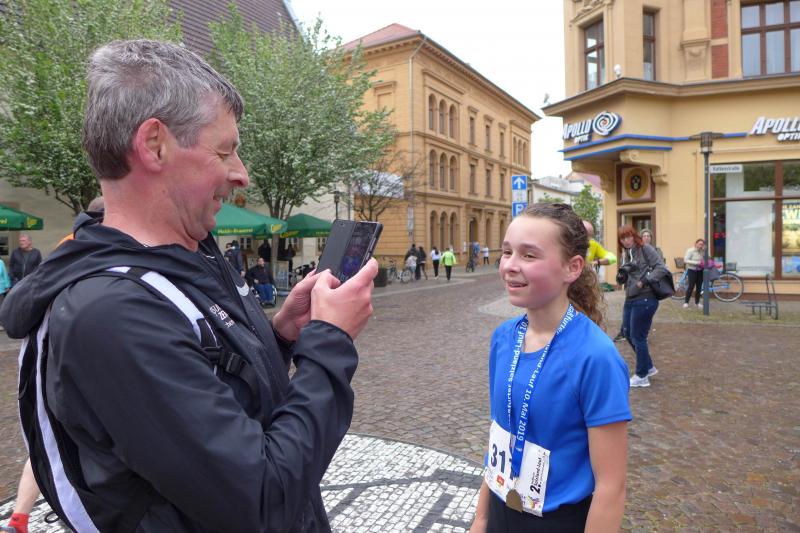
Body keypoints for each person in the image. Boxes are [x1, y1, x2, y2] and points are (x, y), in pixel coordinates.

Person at [0, 39, 377, 532]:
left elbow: (220, 394)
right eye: (225, 150)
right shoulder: (111, 313)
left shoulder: (192, 254)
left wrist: (282, 335)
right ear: (155, 144)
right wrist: (330, 343)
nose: (241, 175)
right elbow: (262, 501)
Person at [471, 203, 630, 532]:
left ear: (572, 268)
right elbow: (499, 434)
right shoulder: (504, 339)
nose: (510, 265)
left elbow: (611, 487)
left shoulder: (596, 357)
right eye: (507, 252)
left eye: (529, 255)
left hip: (558, 521)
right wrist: (481, 518)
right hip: (500, 508)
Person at [618, 224, 665, 388]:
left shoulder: (645, 248)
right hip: (631, 297)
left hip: (645, 297)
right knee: (626, 332)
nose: (626, 240)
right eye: (622, 238)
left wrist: (643, 281)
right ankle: (649, 366)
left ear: (634, 235)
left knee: (638, 336)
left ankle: (642, 375)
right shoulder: (626, 253)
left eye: (628, 236)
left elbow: (661, 268)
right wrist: (622, 276)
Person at [683, 238, 706, 309]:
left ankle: (697, 303)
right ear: (696, 244)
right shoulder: (690, 250)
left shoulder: (702, 251)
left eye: (702, 244)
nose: (701, 246)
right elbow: (685, 260)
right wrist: (696, 263)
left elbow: (706, 259)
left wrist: (704, 251)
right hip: (692, 270)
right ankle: (686, 302)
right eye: (700, 244)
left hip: (700, 271)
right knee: (691, 286)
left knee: (699, 287)